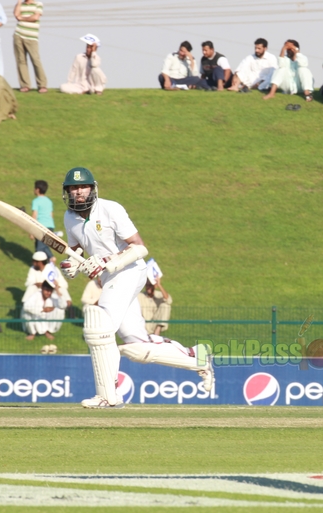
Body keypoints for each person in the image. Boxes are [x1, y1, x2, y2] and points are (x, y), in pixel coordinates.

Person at [58, 167, 213, 408]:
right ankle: (197, 358)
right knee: (137, 345)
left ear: (92, 188)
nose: (78, 192)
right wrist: (72, 263)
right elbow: (76, 248)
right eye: (73, 188)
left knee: (100, 326)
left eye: (82, 187)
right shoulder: (69, 218)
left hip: (129, 271)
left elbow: (139, 247)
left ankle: (108, 396)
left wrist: (108, 261)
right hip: (109, 279)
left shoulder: (111, 209)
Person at [13, 0, 48, 93]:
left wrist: (22, 18)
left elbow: (35, 17)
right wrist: (19, 0)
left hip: (31, 37)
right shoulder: (21, 4)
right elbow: (15, 14)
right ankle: (25, 85)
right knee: (21, 60)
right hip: (19, 34)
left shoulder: (38, 4)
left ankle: (42, 84)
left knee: (35, 60)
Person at [138, 258, 171, 336]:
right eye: (147, 285)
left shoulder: (159, 295)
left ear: (154, 286)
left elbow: (168, 300)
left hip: (155, 325)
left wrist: (159, 285)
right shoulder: (140, 296)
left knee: (165, 305)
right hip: (143, 325)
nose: (148, 288)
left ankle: (157, 333)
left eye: (150, 285)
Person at [32, 180, 55, 258]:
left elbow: (34, 215)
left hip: (41, 227)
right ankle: (50, 259)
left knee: (39, 249)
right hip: (50, 226)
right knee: (42, 245)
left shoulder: (36, 201)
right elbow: (51, 215)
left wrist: (31, 231)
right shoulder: (49, 201)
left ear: (37, 189)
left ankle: (51, 258)